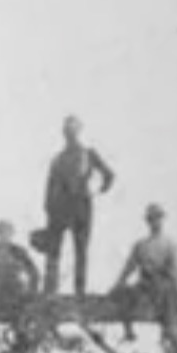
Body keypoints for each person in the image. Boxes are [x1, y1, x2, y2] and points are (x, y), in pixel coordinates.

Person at [40, 114, 115, 298]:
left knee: (81, 249)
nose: (70, 134)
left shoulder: (88, 154)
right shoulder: (58, 159)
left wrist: (98, 190)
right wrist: (48, 208)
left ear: (79, 131)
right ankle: (50, 291)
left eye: (73, 130)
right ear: (63, 133)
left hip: (81, 206)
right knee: (53, 249)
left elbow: (108, 175)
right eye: (67, 130)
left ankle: (79, 292)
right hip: (59, 208)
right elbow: (50, 185)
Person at [112, 204, 177, 340]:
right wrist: (119, 283)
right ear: (148, 222)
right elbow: (129, 267)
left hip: (163, 285)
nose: (155, 222)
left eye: (157, 218)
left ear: (162, 220)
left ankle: (168, 330)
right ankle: (128, 332)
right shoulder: (141, 245)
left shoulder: (169, 243)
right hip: (145, 284)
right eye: (152, 219)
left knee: (169, 295)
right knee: (124, 294)